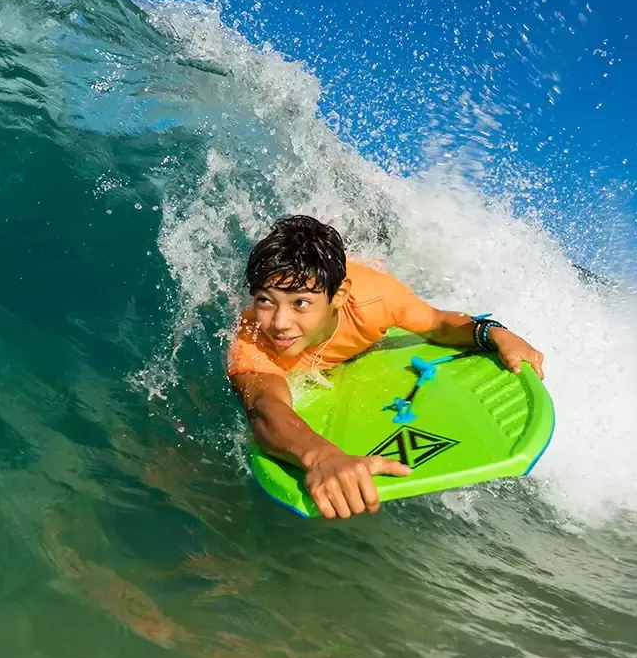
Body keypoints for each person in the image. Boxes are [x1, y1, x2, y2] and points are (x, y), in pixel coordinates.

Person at [228, 215, 545, 519]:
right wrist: (321, 455)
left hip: (360, 274)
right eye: (266, 301)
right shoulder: (252, 339)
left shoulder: (375, 299)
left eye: (300, 304)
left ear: (339, 297)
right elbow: (265, 407)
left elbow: (438, 324)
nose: (279, 324)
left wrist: (491, 332)